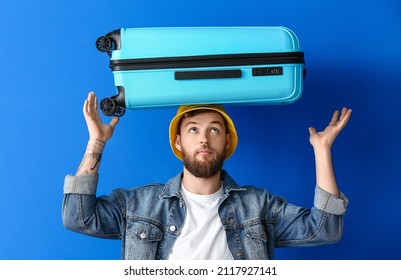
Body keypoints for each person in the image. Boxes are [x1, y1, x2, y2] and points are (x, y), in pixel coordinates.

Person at [62, 91, 352, 260]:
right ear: (178, 142)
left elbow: (325, 229)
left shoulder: (259, 206)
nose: (204, 139)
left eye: (214, 129)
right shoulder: (139, 204)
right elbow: (79, 218)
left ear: (226, 141)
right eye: (193, 130)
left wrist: (322, 150)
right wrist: (96, 144)